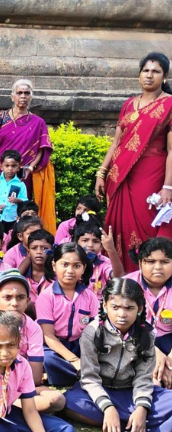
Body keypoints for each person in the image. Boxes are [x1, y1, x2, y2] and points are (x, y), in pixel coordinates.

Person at [65, 278, 172, 432]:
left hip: (131, 391)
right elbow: (89, 378)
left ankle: (132, 421)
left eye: (129, 308)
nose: (122, 314)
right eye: (115, 307)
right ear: (105, 306)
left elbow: (143, 378)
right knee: (70, 402)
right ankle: (142, 424)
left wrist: (142, 408)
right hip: (99, 390)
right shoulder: (92, 332)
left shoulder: (147, 334)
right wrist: (108, 407)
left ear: (140, 308)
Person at [95, 52, 172, 271]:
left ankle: (150, 273)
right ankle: (121, 275)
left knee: (148, 222)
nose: (149, 75)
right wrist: (102, 172)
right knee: (119, 224)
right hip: (119, 175)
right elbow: (116, 143)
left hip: (151, 174)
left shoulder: (169, 104)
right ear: (139, 75)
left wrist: (168, 187)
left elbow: (171, 149)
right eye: (145, 70)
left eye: (156, 71)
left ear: (164, 77)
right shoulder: (129, 104)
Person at [0, 269, 64, 413]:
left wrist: (11, 386)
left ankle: (5, 404)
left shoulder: (33, 328)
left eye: (20, 298)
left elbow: (35, 378)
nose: (14, 303)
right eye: (7, 297)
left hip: (21, 385)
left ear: (27, 301)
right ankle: (10, 405)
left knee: (57, 400)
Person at [0, 79, 55, 233]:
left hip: (23, 175)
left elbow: (41, 149)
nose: (23, 96)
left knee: (21, 210)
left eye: (26, 93)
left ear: (31, 96)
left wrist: (30, 168)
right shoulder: (0, 117)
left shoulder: (38, 122)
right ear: (12, 96)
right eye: (19, 93)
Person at [37, 243, 98, 386]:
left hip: (81, 344)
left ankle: (78, 373)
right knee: (48, 359)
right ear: (54, 266)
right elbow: (48, 335)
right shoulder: (46, 297)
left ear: (84, 268)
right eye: (64, 264)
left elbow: (95, 329)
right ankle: (83, 374)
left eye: (76, 266)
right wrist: (74, 360)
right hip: (54, 345)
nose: (70, 270)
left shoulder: (90, 296)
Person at [126, 237, 172, 388]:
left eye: (165, 262)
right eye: (150, 261)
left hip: (168, 340)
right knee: (153, 382)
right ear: (140, 263)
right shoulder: (126, 285)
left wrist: (170, 362)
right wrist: (153, 351)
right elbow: (119, 327)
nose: (158, 267)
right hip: (135, 339)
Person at [0, 150, 28, 231]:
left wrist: (18, 200)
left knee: (11, 235)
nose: (10, 169)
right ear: (1, 166)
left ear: (18, 167)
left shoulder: (20, 184)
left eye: (14, 166)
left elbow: (25, 200)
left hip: (12, 218)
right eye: (7, 165)